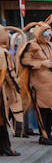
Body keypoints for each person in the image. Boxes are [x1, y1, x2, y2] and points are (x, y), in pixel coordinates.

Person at [17, 15, 52, 145]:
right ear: (39, 34)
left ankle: (48, 134)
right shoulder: (31, 45)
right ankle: (43, 136)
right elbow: (24, 61)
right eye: (46, 34)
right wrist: (41, 63)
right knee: (42, 111)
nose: (48, 37)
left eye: (50, 34)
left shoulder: (51, 45)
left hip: (51, 83)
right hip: (38, 84)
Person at [0, 25, 23, 155]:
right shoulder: (3, 53)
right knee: (3, 121)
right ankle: (6, 148)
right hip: (2, 93)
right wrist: (17, 88)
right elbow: (8, 73)